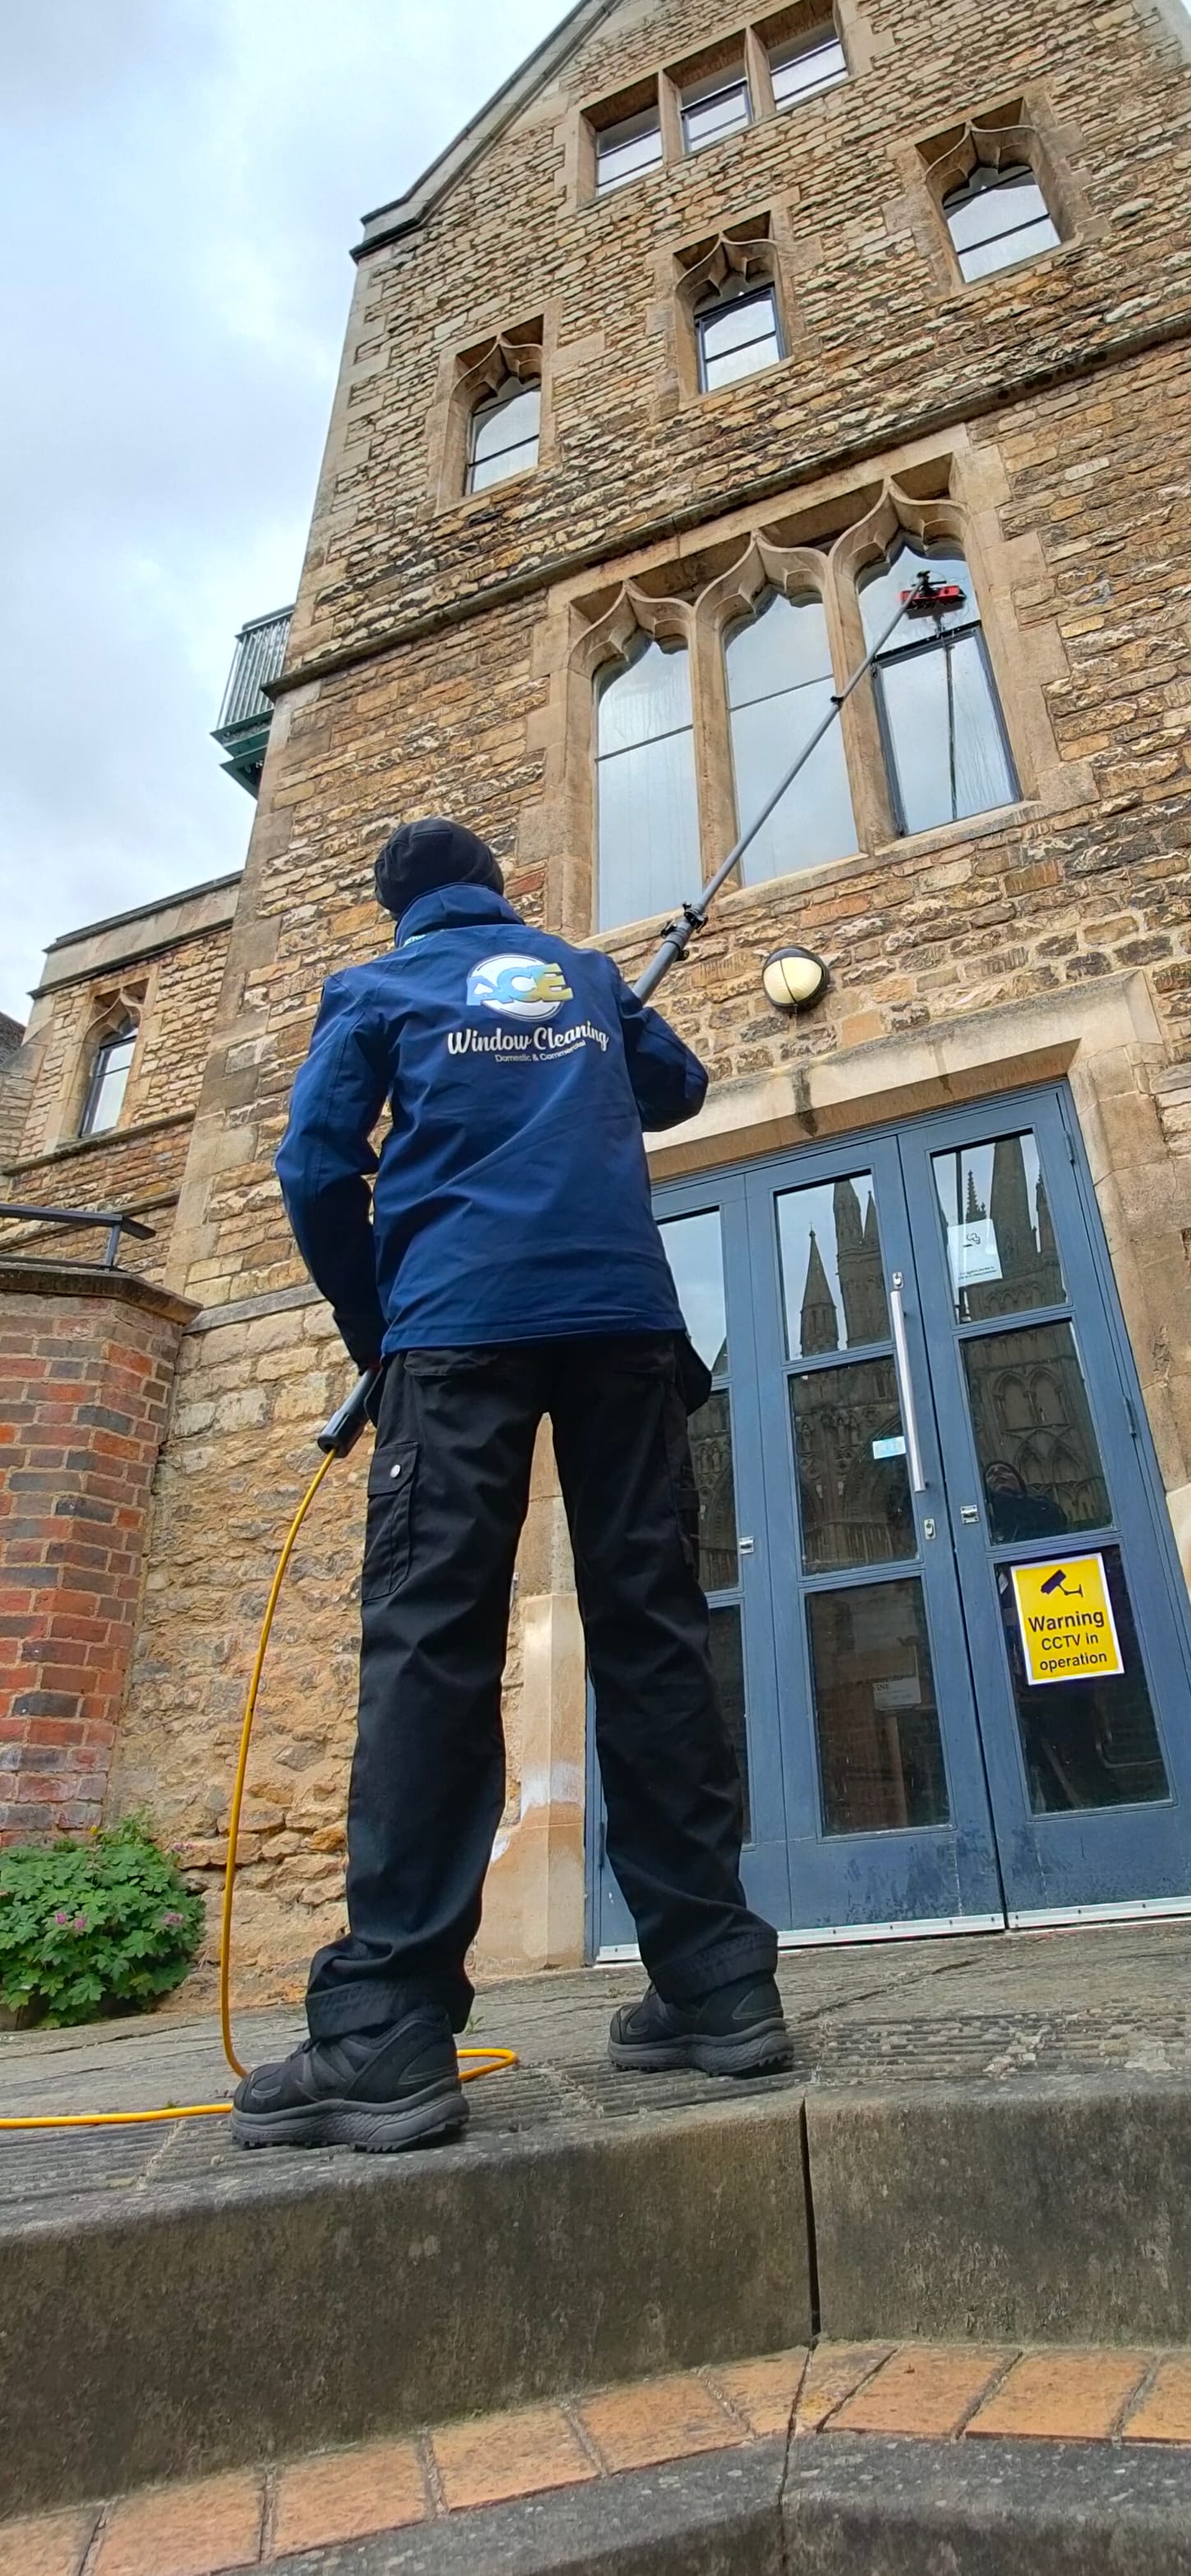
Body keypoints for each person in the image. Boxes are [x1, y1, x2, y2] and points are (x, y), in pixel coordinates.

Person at [230, 817, 786, 2153]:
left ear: (397, 911)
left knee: (432, 1640)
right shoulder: (580, 976)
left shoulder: (375, 991)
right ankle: (715, 1985)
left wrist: (382, 1331)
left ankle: (384, 2030)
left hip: (457, 1331)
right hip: (622, 1327)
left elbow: (315, 1167)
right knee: (652, 1625)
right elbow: (681, 1085)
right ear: (499, 894)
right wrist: (576, 1043)